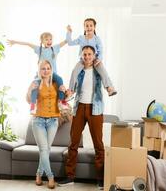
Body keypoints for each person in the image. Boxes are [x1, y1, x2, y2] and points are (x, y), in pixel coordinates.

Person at [58, 46, 105, 190]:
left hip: (95, 109)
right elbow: (71, 90)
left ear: (94, 55)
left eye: (89, 54)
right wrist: (66, 92)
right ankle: (70, 176)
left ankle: (101, 178)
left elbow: (108, 82)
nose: (87, 57)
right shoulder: (78, 70)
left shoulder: (99, 69)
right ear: (82, 55)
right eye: (84, 54)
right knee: (73, 143)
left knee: (98, 144)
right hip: (79, 108)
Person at [7, 32, 69, 113]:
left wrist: (69, 32)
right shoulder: (39, 50)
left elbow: (66, 41)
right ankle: (33, 105)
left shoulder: (55, 48)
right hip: (41, 74)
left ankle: (61, 101)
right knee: (35, 85)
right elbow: (28, 44)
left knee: (60, 80)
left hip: (52, 73)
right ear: (42, 41)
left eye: (50, 39)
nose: (49, 41)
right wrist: (15, 42)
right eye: (46, 39)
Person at [28, 60, 61, 189]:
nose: (46, 71)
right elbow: (28, 100)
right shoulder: (36, 84)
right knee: (44, 149)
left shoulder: (56, 83)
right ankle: (51, 177)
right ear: (39, 70)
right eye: (43, 68)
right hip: (38, 121)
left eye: (48, 68)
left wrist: (68, 92)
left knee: (46, 150)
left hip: (53, 121)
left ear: (51, 70)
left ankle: (38, 174)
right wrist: (29, 89)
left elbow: (64, 97)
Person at [66, 18, 117, 98]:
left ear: (94, 27)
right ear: (84, 27)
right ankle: (71, 90)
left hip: (94, 59)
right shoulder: (81, 38)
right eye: (87, 26)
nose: (89, 27)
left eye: (91, 26)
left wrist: (99, 59)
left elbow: (100, 50)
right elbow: (70, 43)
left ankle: (109, 88)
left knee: (103, 71)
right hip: (83, 60)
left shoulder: (97, 39)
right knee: (74, 71)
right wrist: (69, 32)